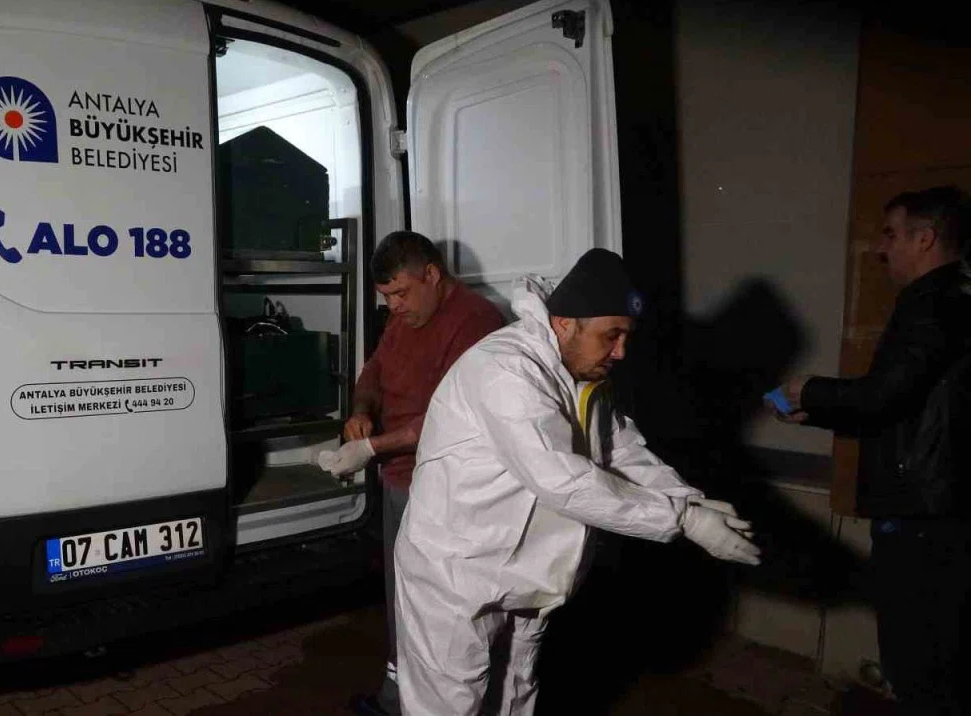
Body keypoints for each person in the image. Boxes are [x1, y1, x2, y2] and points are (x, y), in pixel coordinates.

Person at [393, 248, 761, 716]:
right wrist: (682, 520)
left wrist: (688, 501)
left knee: (515, 692)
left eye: (626, 336)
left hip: (525, 571)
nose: (621, 351)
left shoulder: (580, 373)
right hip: (455, 570)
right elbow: (561, 478)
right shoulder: (505, 370)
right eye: (611, 335)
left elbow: (619, 450)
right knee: (449, 704)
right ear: (565, 324)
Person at [772, 185, 970, 716]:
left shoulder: (933, 304)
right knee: (930, 656)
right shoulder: (951, 299)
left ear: (925, 239)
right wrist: (817, 411)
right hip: (935, 510)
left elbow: (886, 394)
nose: (881, 249)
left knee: (918, 660)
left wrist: (808, 390)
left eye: (890, 234)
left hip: (921, 515)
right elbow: (905, 407)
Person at [317, 230, 504, 716]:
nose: (393, 306)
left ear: (433, 275)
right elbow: (375, 372)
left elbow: (454, 419)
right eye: (386, 297)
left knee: (440, 609)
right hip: (399, 478)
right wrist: (362, 411)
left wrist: (370, 447)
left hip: (442, 486)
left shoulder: (476, 323)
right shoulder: (404, 319)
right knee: (403, 598)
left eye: (400, 293)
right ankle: (396, 698)